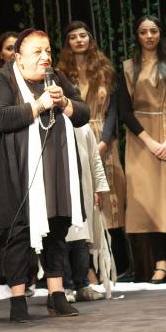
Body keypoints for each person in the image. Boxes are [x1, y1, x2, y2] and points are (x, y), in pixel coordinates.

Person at [0, 28, 90, 322]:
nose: (45, 57)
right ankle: (17, 300)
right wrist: (39, 105)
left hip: (56, 167)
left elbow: (83, 113)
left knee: (57, 228)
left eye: (48, 50)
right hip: (17, 173)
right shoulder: (3, 80)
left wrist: (64, 103)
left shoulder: (56, 78)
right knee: (18, 234)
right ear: (18, 57)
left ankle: (56, 294)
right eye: (37, 52)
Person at [117, 15, 166, 283]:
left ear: (161, 34)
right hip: (142, 140)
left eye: (154, 31)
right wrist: (150, 142)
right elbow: (124, 111)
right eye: (143, 32)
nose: (149, 36)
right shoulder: (129, 68)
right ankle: (161, 262)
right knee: (149, 201)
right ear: (137, 36)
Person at [56, 21, 127, 237]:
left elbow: (113, 110)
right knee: (84, 188)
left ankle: (114, 251)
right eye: (73, 37)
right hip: (77, 134)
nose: (79, 40)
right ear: (67, 42)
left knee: (111, 193)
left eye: (83, 35)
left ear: (90, 39)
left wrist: (104, 141)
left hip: (104, 136)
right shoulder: (61, 73)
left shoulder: (105, 70)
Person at [63, 124, 112, 302]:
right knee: (62, 239)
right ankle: (65, 287)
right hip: (60, 190)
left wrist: (98, 188)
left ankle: (82, 284)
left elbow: (94, 157)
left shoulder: (83, 127)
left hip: (82, 190)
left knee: (81, 240)